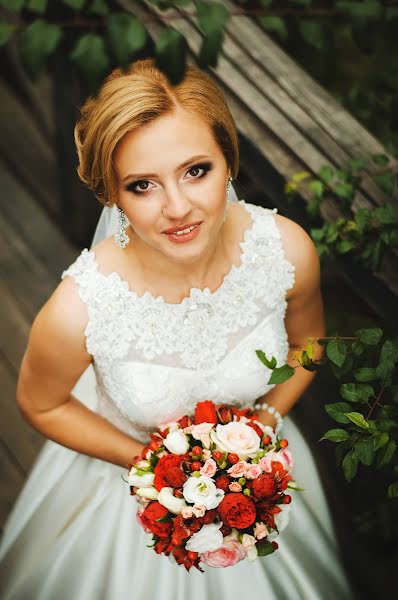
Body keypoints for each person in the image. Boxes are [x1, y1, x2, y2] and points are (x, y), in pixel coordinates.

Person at [0, 57, 355, 599]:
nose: (178, 207)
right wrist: (153, 467)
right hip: (124, 502)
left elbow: (309, 346)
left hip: (256, 473)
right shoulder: (81, 307)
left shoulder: (285, 250)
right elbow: (42, 404)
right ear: (111, 195)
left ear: (229, 161)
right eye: (142, 185)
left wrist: (262, 425)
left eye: (196, 170)